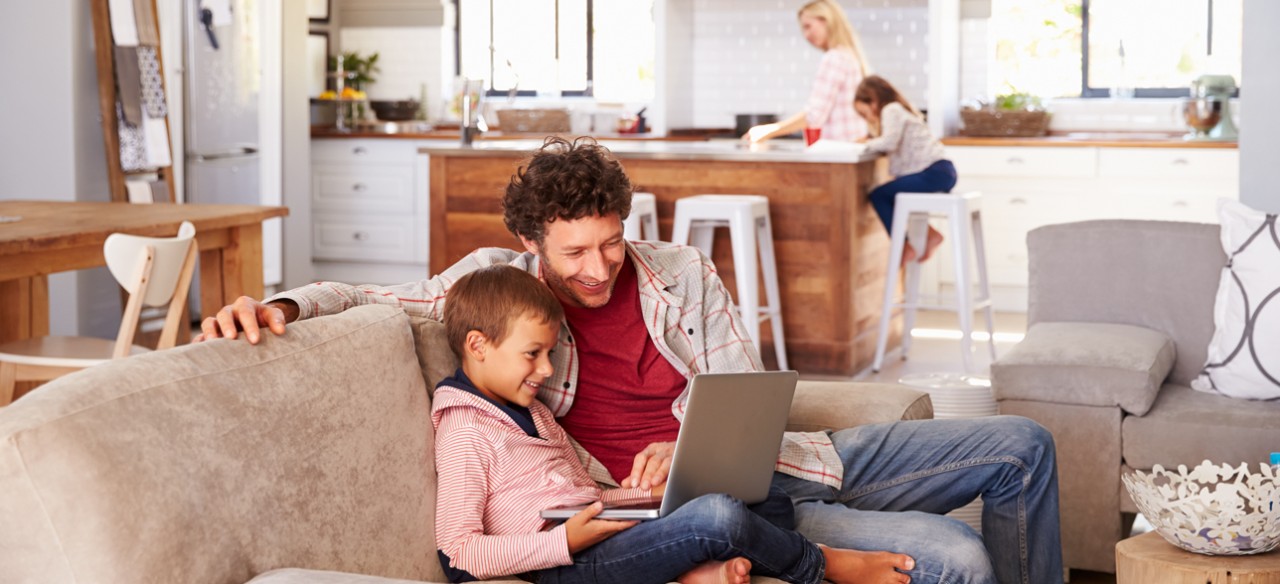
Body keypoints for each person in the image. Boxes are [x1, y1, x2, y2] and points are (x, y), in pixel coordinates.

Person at [197, 136, 1064, 584]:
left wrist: (686, 430)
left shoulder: (680, 271)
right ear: (533, 244)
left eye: (610, 243)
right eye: (574, 252)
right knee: (956, 563)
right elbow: (377, 297)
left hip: (790, 461)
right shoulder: (498, 289)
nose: (598, 268)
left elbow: (741, 386)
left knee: (1023, 445)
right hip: (688, 507)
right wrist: (277, 304)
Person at [431, 264, 912, 584]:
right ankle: (821, 563)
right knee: (719, 516)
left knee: (760, 495)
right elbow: (457, 552)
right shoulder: (464, 430)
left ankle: (697, 571)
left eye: (550, 354)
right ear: (477, 345)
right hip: (564, 563)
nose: (547, 370)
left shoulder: (530, 409)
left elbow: (588, 497)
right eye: (532, 355)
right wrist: (565, 540)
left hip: (599, 533)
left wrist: (654, 499)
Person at [854, 75, 956, 263]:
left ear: (873, 101)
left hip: (935, 171)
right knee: (895, 193)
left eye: (863, 113)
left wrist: (864, 143)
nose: (867, 118)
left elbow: (889, 142)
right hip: (941, 172)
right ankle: (931, 234)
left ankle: (903, 245)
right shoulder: (899, 110)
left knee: (879, 195)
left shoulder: (891, 109)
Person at [743, 0, 870, 144]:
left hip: (839, 151)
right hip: (853, 149)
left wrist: (768, 130)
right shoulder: (849, 56)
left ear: (826, 21)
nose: (806, 35)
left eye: (808, 26)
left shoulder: (834, 58)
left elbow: (814, 116)